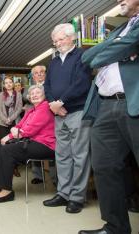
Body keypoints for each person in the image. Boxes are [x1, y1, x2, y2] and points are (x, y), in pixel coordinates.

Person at [79, 0, 139, 233]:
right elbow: (87, 58)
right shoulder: (119, 29)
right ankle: (116, 227)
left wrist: (115, 48)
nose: (118, 1)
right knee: (104, 166)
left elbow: (129, 44)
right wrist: (117, 45)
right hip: (104, 106)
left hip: (133, 102)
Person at [43, 23, 92, 214]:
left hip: (78, 112)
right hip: (58, 115)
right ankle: (63, 193)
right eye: (55, 41)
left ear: (72, 37)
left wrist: (61, 101)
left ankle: (77, 197)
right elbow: (47, 86)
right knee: (62, 156)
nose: (57, 43)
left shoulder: (82, 56)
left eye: (61, 39)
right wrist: (53, 104)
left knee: (79, 156)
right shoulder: (54, 62)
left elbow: (82, 83)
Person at [0, 85, 55, 203]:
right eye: (32, 93)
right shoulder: (31, 110)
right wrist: (15, 131)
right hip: (31, 141)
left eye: (37, 93)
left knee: (7, 150)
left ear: (44, 95)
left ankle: (7, 191)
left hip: (45, 145)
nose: (34, 95)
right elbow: (19, 126)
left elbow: (30, 130)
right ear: (29, 97)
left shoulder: (45, 107)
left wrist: (10, 135)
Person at [27, 65, 57, 186]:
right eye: (36, 73)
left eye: (41, 72)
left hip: (49, 121)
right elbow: (26, 98)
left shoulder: (51, 85)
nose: (39, 74)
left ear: (45, 74)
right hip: (35, 121)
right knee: (33, 143)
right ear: (33, 76)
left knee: (51, 149)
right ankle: (38, 176)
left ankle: (55, 179)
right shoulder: (28, 88)